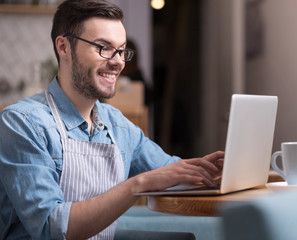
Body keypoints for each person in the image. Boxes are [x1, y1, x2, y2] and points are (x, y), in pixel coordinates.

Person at [0, 0, 224, 239]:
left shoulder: (117, 124)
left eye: (121, 50)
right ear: (64, 47)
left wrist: (218, 173)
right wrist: (137, 185)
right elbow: (52, 228)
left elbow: (171, 173)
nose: (118, 61)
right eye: (104, 48)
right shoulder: (22, 123)